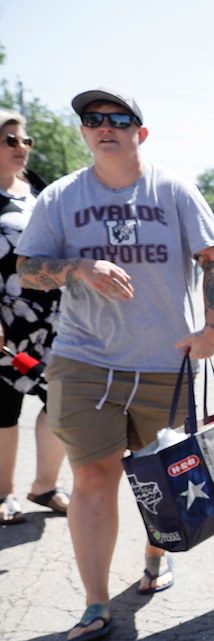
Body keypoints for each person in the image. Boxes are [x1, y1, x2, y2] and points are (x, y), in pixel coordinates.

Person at [16, 87, 214, 641]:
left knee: (158, 477)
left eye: (118, 118)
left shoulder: (174, 190)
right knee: (91, 475)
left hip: (166, 363)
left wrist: (210, 330)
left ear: (141, 131)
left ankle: (157, 556)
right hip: (83, 360)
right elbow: (27, 268)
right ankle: (94, 604)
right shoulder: (60, 197)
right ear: (84, 132)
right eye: (92, 119)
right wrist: (79, 267)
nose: (104, 126)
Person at [0, 109, 70, 525]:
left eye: (25, 140)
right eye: (11, 140)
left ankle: (45, 485)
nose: (22, 148)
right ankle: (3, 494)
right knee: (3, 409)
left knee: (61, 401)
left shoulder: (40, 189)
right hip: (7, 323)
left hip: (55, 321)